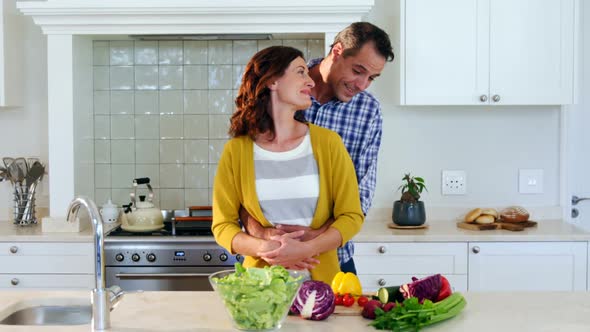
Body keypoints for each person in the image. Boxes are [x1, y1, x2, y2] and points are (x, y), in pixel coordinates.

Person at [241, 22, 394, 274]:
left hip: (332, 258)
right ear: (337, 51)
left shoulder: (367, 111)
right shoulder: (277, 89)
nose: (363, 85)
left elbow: (361, 194)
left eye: (372, 78)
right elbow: (242, 183)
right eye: (358, 71)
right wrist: (265, 236)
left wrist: (315, 240)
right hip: (264, 260)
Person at [211, 46, 364, 284]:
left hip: (323, 285)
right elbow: (223, 226)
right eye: (300, 72)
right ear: (272, 81)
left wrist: (307, 249)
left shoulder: (328, 143)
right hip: (259, 289)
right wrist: (267, 248)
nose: (311, 82)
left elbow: (351, 216)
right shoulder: (236, 151)